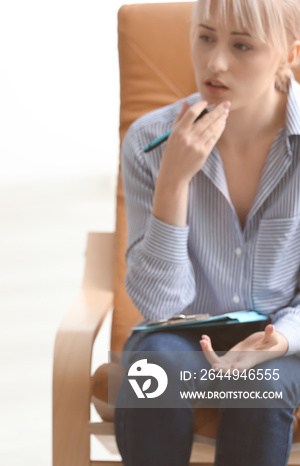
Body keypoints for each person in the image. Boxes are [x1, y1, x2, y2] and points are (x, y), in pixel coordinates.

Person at [114, 0, 300, 464]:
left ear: (288, 55)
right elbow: (160, 307)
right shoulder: (148, 141)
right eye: (205, 37)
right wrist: (173, 181)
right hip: (179, 333)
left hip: (282, 336)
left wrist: (279, 340)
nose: (215, 62)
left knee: (263, 388)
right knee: (151, 367)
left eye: (241, 45)